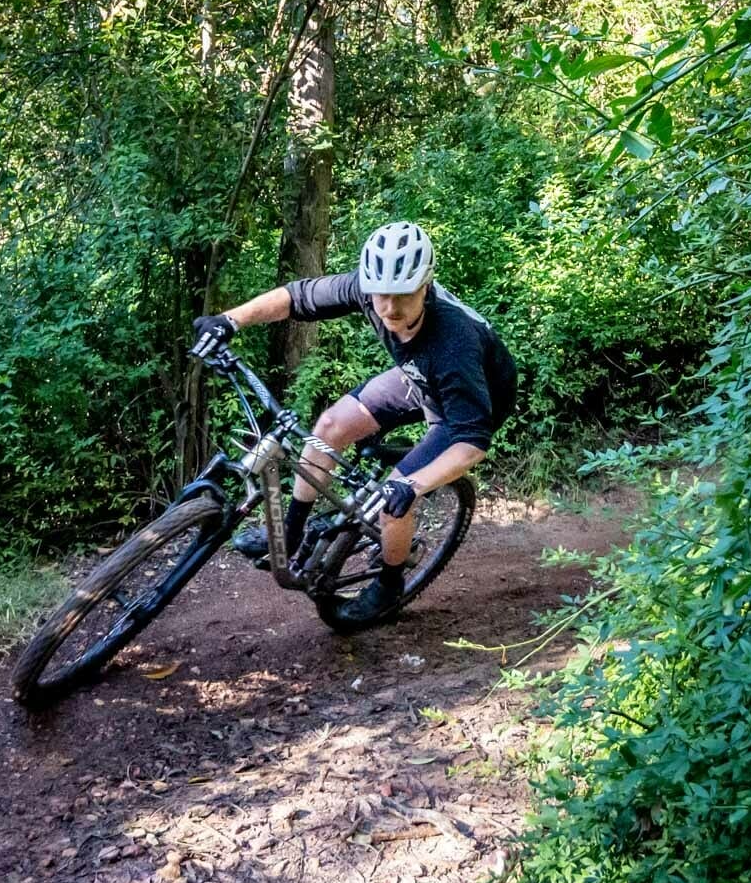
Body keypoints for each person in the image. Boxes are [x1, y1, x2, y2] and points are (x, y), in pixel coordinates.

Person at [191, 221, 517, 622]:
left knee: (392, 500)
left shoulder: (454, 342)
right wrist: (230, 320)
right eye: (382, 295)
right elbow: (297, 298)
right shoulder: (369, 289)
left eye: (404, 296)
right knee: (329, 426)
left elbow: (472, 441)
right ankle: (290, 536)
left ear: (426, 286)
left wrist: (411, 485)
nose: (391, 308)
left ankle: (390, 584)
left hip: (466, 404)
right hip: (419, 376)